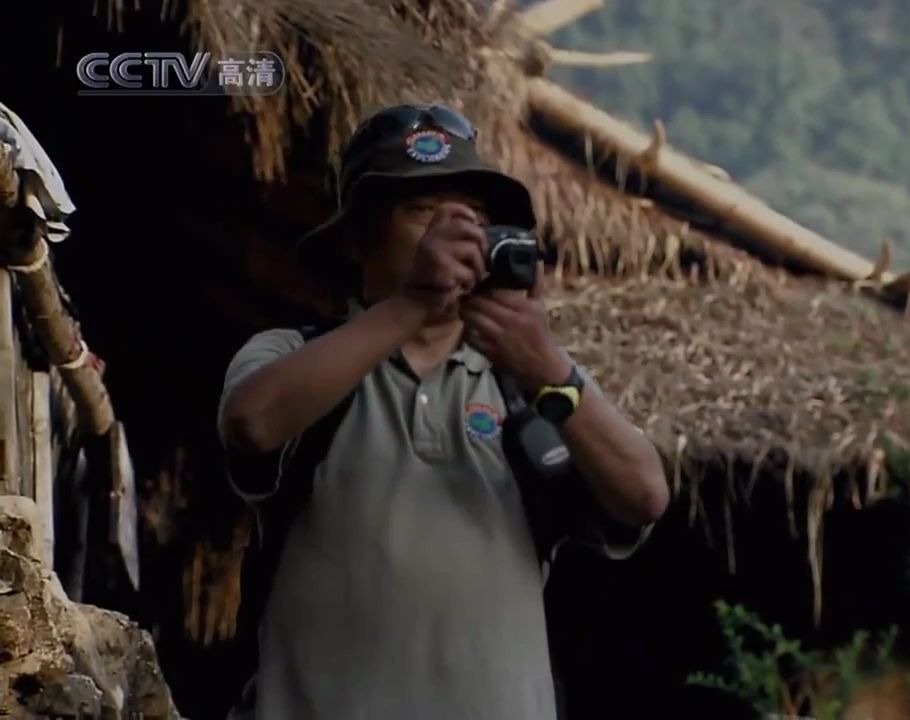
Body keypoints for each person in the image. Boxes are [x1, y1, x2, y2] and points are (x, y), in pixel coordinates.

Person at [217, 103, 669, 720]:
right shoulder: (292, 354)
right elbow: (251, 423)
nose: (456, 238)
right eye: (422, 213)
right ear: (358, 238)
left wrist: (546, 371)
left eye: (475, 219)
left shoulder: (529, 385)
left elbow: (644, 495)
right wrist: (412, 305)